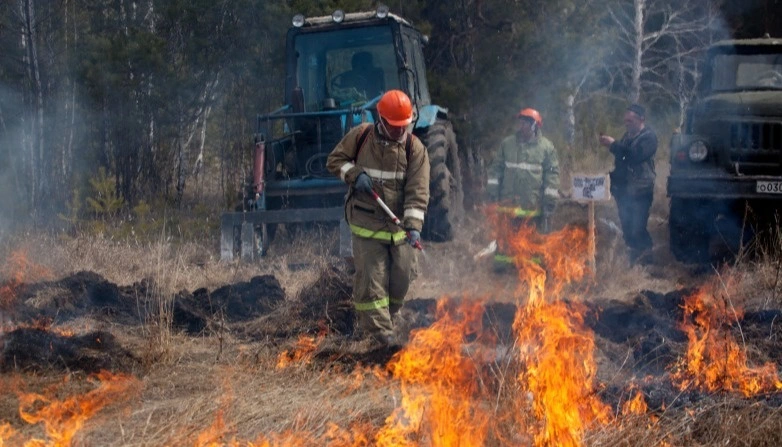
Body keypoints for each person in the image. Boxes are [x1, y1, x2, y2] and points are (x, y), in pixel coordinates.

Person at [326, 90, 430, 347]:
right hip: (367, 224)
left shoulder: (414, 149)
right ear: (380, 119)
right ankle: (383, 339)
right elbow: (334, 161)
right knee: (372, 282)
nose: (399, 131)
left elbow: (418, 193)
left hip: (400, 230)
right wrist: (355, 174)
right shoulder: (361, 137)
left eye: (403, 126)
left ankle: (386, 320)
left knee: (401, 280)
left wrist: (414, 228)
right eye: (394, 126)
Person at [486, 108, 560, 268]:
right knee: (506, 240)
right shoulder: (508, 144)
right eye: (520, 122)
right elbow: (496, 169)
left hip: (531, 206)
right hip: (508, 204)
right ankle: (503, 269)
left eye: (526, 122)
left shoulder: (546, 148)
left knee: (532, 243)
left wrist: (549, 202)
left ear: (535, 125)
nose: (521, 125)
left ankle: (532, 271)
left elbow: (552, 176)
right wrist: (492, 193)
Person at [599, 103, 658, 265]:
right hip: (625, 192)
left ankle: (646, 263)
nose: (627, 124)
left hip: (641, 191)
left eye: (630, 121)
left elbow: (633, 156)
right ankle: (634, 261)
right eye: (625, 121)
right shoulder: (627, 137)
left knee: (638, 228)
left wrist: (613, 145)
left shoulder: (649, 138)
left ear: (641, 119)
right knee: (627, 229)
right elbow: (622, 163)